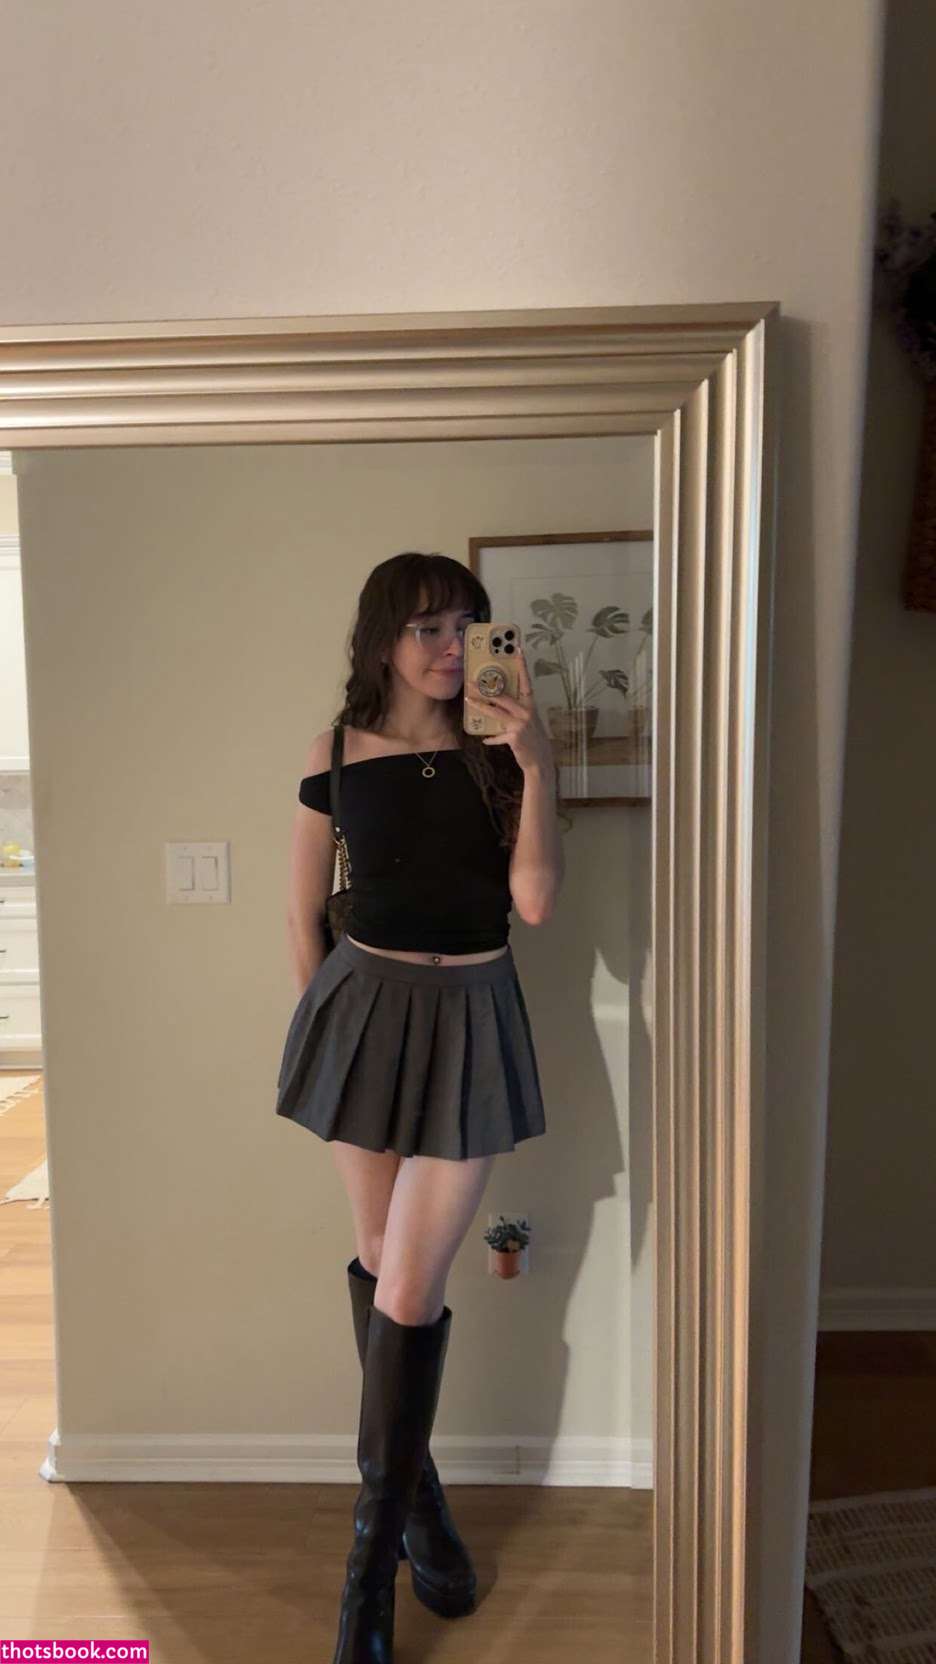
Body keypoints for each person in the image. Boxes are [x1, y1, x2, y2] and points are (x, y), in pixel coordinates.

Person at [275, 550, 566, 1663]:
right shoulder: (334, 751)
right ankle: (422, 1516)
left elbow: (534, 903)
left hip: (474, 1015)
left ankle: (369, 1568)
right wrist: (324, 1029)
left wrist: (538, 763)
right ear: (384, 638)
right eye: (429, 627)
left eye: (468, 625)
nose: (451, 648)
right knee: (378, 1260)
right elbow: (301, 911)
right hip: (362, 1012)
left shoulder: (502, 754)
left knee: (405, 1285)